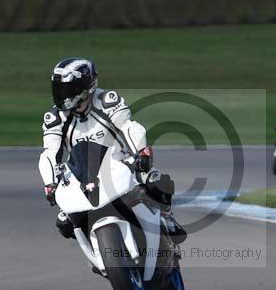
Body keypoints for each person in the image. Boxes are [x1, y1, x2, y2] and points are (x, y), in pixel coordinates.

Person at [38, 57, 186, 244]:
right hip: (82, 175)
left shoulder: (106, 101)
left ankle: (167, 216)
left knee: (157, 182)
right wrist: (50, 183)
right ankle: (99, 246)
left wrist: (140, 152)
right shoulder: (55, 118)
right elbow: (50, 152)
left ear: (85, 87)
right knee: (64, 224)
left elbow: (128, 127)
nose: (62, 95)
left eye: (67, 90)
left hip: (121, 163)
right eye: (59, 89)